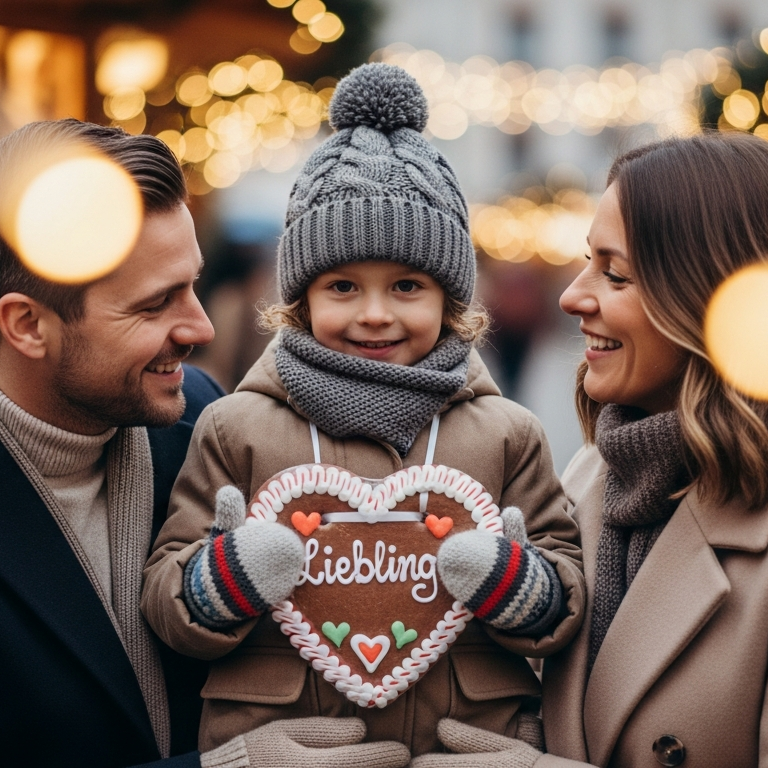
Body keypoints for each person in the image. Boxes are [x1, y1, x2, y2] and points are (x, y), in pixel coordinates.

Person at [142, 63, 585, 767]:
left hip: (465, 748)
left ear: (450, 300)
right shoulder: (237, 428)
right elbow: (166, 597)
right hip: (282, 744)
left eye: (407, 286)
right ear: (299, 299)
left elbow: (567, 595)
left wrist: (514, 582)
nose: (375, 314)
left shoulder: (507, 435)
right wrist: (226, 574)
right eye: (343, 286)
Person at [444, 131, 768, 767]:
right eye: (587, 261)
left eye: (615, 274)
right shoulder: (589, 477)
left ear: (707, 298)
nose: (572, 296)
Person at [0, 119, 225, 767]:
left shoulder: (207, 424)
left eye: (193, 285)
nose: (201, 326)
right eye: (155, 305)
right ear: (27, 325)